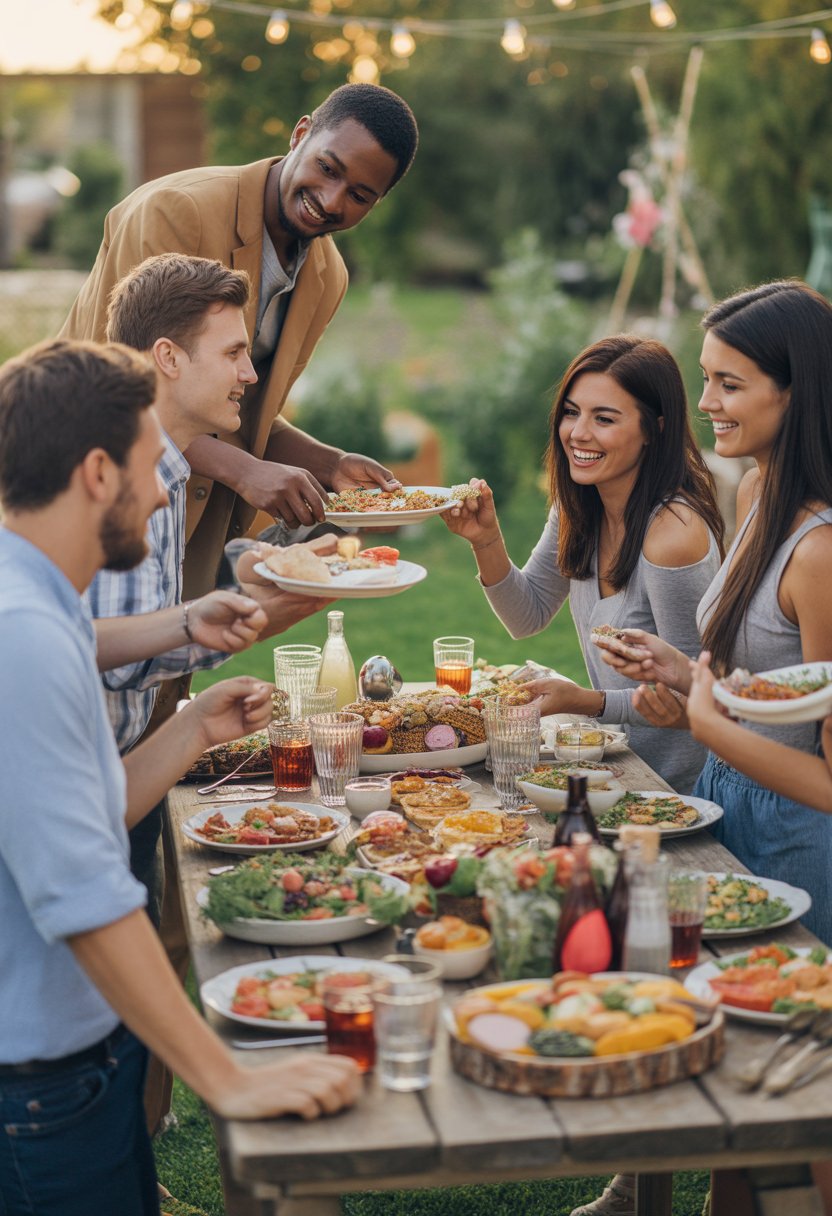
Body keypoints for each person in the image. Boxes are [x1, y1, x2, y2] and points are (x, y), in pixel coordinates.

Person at [0, 338, 359, 1216]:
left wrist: (194, 727)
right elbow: (86, 892)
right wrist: (225, 1076)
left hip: (68, 1061)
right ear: (95, 472)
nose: (165, 493)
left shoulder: (35, 602)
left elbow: (90, 812)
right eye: (149, 467)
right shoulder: (25, 634)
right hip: (37, 1083)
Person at [92, 250, 335, 1144]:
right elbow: (113, 656)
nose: (250, 371)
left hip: (124, 769)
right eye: (233, 352)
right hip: (91, 779)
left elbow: (149, 615)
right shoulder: (128, 474)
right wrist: (237, 619)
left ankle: (121, 1170)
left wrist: (251, 580)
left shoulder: (164, 460)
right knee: (91, 1019)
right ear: (165, 356)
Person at [59, 82, 419, 598]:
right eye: (328, 168)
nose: (332, 200)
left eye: (360, 195)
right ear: (301, 135)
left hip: (196, 517)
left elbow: (242, 404)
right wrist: (248, 472)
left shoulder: (327, 275)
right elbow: (129, 388)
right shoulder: (174, 212)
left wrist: (329, 464)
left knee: (176, 663)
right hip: (91, 489)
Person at [597, 280, 832, 945]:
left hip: (799, 834)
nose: (705, 404)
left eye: (728, 384)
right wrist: (680, 670)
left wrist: (706, 721)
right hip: (725, 796)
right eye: (706, 380)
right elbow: (775, 680)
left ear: (796, 391)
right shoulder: (757, 488)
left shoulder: (820, 553)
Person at [443, 334, 724, 793]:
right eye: (572, 412)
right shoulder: (581, 507)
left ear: (655, 429)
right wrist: (486, 539)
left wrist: (588, 701)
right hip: (613, 771)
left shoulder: (674, 534)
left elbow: (695, 690)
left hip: (679, 792)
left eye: (604, 418)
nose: (578, 433)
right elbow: (526, 615)